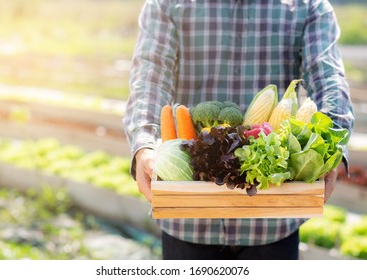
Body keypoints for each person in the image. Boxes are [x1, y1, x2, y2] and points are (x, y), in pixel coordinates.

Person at [123, 0, 354, 260]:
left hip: (272, 217)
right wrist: (144, 142)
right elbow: (150, 78)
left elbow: (329, 81)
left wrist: (331, 147)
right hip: (187, 215)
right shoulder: (166, 5)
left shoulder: (308, 7)